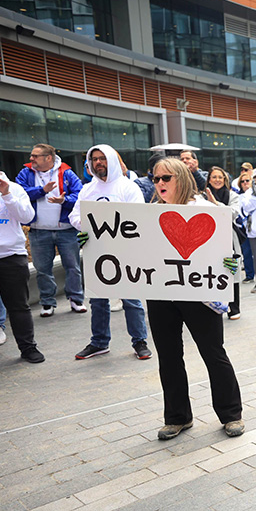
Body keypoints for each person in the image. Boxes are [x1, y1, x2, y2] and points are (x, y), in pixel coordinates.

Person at [147, 157, 244, 440]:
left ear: (181, 178)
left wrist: (228, 263)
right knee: (168, 355)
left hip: (200, 295)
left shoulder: (205, 210)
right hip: (161, 294)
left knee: (213, 353)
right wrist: (96, 241)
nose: (160, 183)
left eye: (166, 178)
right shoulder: (147, 214)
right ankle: (177, 417)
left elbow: (227, 249)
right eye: (156, 179)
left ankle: (231, 414)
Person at [70, 145, 151, 361]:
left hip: (125, 251)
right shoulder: (88, 189)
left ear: (112, 161)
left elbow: (138, 216)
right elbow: (74, 216)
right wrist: (86, 224)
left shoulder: (128, 187)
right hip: (96, 251)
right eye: (94, 159)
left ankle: (140, 341)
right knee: (98, 299)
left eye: (102, 159)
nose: (98, 163)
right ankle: (99, 342)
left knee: (131, 299)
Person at [15, 143, 86, 317]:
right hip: (38, 230)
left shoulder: (67, 172)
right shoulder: (26, 173)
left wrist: (64, 201)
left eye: (35, 156)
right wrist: (42, 190)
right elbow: (19, 193)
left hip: (67, 230)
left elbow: (79, 195)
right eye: (31, 155)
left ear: (48, 158)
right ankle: (47, 302)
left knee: (73, 266)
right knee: (42, 269)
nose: (31, 159)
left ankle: (76, 299)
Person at [0, 151, 44, 362]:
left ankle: (28, 348)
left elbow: (27, 217)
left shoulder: (13, 188)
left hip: (10, 255)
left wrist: (6, 195)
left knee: (18, 306)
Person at [204, 167, 242, 319]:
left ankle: (234, 307)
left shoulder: (232, 195)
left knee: (232, 269)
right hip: (208, 237)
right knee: (211, 269)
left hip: (228, 236)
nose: (217, 180)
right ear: (209, 179)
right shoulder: (202, 195)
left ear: (225, 180)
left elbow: (234, 213)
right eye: (214, 177)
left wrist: (215, 203)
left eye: (220, 177)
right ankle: (215, 305)